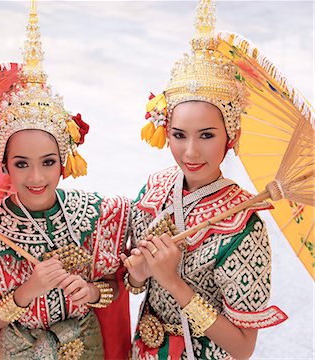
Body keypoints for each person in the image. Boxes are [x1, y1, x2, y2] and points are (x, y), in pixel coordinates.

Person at [0, 3, 131, 359]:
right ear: (4, 165)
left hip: (83, 347)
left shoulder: (96, 214)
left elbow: (114, 288)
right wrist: (27, 291)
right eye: (21, 164)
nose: (36, 177)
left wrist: (91, 293)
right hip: (20, 350)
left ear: (65, 161)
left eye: (48, 162)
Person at [122, 1, 287, 359]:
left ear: (232, 134)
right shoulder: (153, 191)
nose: (191, 152)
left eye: (207, 136)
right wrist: (137, 274)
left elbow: (243, 348)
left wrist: (173, 282)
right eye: (179, 135)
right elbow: (135, 285)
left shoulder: (244, 224)